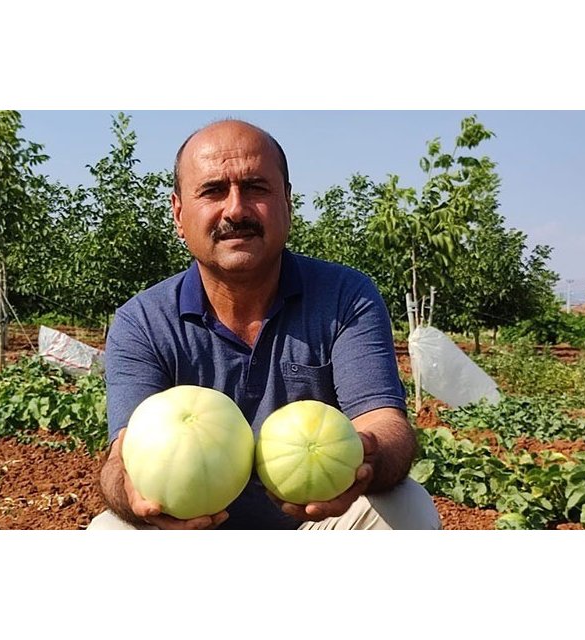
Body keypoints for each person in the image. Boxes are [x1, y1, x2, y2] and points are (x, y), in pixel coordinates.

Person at [88, 119, 441, 530]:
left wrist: (363, 457)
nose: (235, 209)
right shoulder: (143, 320)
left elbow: (384, 422)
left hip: (317, 527)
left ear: (287, 203)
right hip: (189, 531)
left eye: (256, 188)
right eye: (213, 190)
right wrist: (132, 497)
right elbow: (122, 457)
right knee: (110, 531)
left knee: (404, 508)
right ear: (179, 213)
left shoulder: (346, 296)